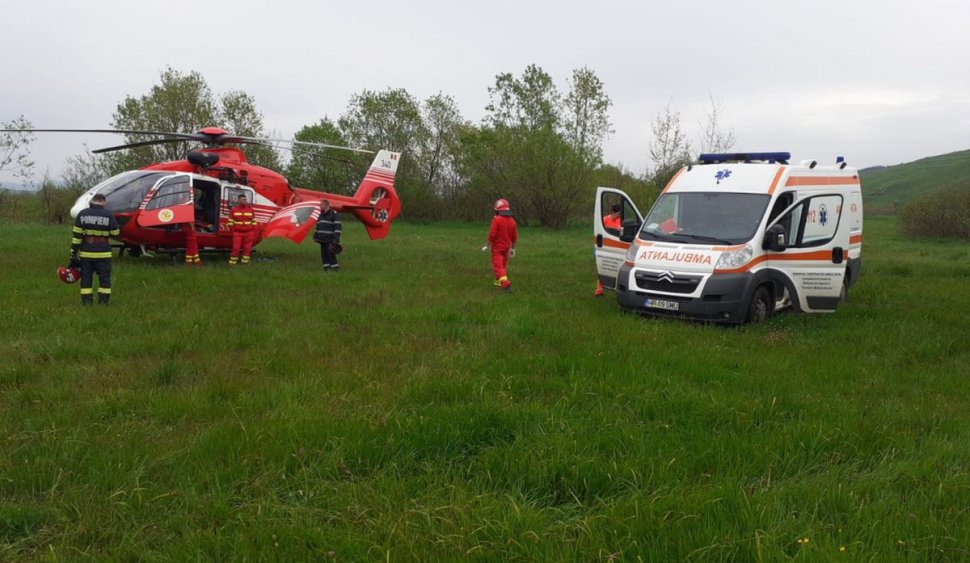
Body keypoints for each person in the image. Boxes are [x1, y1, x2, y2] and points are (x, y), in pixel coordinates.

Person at [70, 193, 120, 305]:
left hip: (86, 254)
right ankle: (103, 302)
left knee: (86, 279)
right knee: (104, 279)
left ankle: (86, 302)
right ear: (104, 202)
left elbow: (77, 237)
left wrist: (73, 254)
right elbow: (115, 233)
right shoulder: (109, 215)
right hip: (104, 254)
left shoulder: (82, 214)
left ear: (92, 201)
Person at [484, 198, 517, 292]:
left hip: (497, 248)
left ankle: (506, 285)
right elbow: (514, 237)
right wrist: (513, 249)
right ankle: (498, 281)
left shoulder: (496, 219)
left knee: (498, 266)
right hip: (507, 247)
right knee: (502, 265)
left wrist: (487, 244)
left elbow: (492, 234)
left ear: (497, 210)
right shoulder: (512, 221)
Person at [595, 204, 623, 296]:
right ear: (613, 212)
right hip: (605, 248)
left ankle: (618, 290)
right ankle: (599, 291)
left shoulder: (620, 221)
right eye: (618, 214)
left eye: (620, 214)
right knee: (603, 268)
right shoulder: (605, 220)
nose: (619, 216)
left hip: (617, 248)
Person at [313, 199, 342, 272]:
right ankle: (326, 269)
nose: (320, 206)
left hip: (330, 240)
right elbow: (318, 227)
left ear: (325, 205)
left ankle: (335, 269)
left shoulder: (334, 214)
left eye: (321, 205)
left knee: (331, 255)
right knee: (324, 255)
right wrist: (315, 236)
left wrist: (335, 239)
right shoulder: (321, 215)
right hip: (322, 240)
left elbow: (337, 228)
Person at [227, 194, 257, 265]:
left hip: (249, 233)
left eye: (245, 199)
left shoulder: (250, 210)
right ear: (238, 200)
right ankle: (232, 263)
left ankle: (245, 262)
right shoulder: (234, 210)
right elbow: (230, 222)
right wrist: (233, 231)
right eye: (243, 199)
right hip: (237, 233)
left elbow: (254, 222)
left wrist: (253, 231)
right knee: (236, 248)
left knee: (247, 248)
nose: (245, 201)